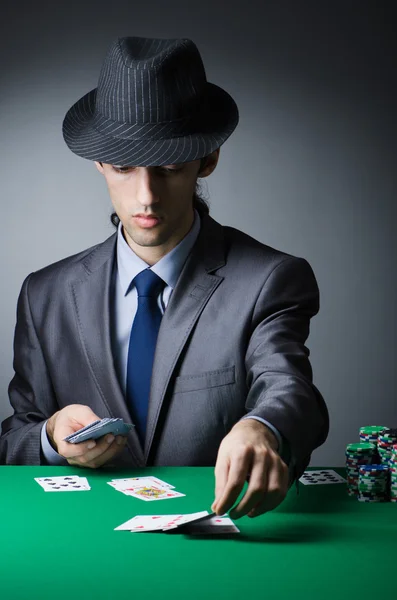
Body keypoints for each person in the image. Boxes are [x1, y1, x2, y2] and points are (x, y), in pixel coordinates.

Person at [0, 36, 329, 519]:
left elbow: (289, 388)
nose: (146, 197)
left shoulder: (271, 279)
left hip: (218, 554)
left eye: (169, 169)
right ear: (98, 162)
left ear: (208, 159)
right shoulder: (44, 293)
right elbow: (14, 440)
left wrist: (262, 427)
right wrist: (51, 438)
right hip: (79, 553)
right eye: (123, 168)